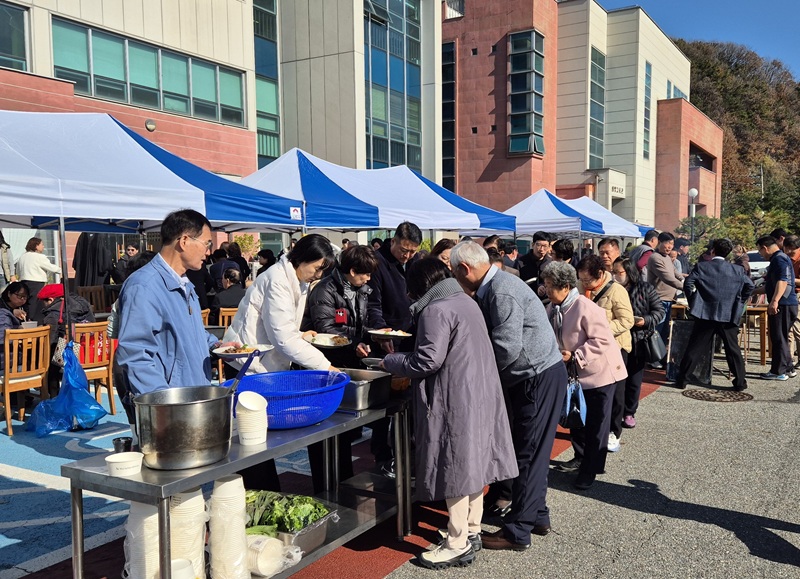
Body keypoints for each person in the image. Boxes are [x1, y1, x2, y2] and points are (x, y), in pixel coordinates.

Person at [382, 259, 518, 568]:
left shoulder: (436, 309)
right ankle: (471, 529)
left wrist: (390, 361)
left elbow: (427, 361)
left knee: (454, 468)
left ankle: (457, 542)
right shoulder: (465, 301)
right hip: (480, 393)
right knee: (474, 465)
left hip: (455, 398)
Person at [450, 241, 565, 551]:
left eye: (454, 274)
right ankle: (537, 516)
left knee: (528, 454)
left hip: (536, 376)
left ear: (464, 269)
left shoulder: (501, 291)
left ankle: (517, 531)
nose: (455, 281)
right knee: (531, 451)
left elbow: (506, 348)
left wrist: (477, 377)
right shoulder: (496, 286)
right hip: (536, 374)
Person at [226, 234, 337, 491]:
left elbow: (282, 327)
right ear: (302, 259)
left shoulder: (295, 278)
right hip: (251, 365)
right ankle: (260, 498)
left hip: (265, 363)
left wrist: (300, 334)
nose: (318, 275)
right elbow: (283, 338)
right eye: (317, 268)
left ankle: (265, 494)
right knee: (253, 442)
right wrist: (324, 365)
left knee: (261, 441)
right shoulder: (277, 279)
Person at [115, 209, 232, 399]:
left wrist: (217, 345)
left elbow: (188, 331)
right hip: (171, 404)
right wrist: (164, 401)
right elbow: (135, 354)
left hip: (193, 396)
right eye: (206, 243)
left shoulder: (184, 283)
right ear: (184, 241)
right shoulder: (144, 286)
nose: (208, 251)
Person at [301, 245, 380, 493]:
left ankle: (343, 482)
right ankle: (325, 487)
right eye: (365, 274)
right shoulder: (324, 290)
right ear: (352, 270)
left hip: (347, 362)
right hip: (323, 365)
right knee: (324, 428)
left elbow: (362, 322)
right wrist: (356, 344)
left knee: (344, 429)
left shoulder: (361, 289)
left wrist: (374, 334)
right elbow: (325, 329)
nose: (368, 279)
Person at [542, 261, 627, 490]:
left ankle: (590, 469)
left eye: (550, 286)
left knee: (596, 424)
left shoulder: (586, 307)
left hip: (599, 373)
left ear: (566, 286)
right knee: (576, 417)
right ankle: (580, 458)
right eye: (546, 285)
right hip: (574, 373)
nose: (546, 290)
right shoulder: (552, 308)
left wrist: (576, 355)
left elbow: (602, 339)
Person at [366, 221, 422, 473]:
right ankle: (381, 455)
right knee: (383, 400)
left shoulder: (414, 262)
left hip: (411, 338)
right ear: (394, 241)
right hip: (386, 338)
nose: (407, 255)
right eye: (404, 250)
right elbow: (373, 305)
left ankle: (407, 451)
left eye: (412, 251)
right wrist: (381, 330)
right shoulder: (378, 263)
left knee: (408, 399)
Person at [674, 239, 754, 391]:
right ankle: (740, 382)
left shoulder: (702, 266)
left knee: (695, 347)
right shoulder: (737, 270)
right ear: (728, 253)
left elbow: (688, 283)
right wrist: (739, 301)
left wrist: (694, 301)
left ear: (712, 250)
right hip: (728, 313)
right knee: (732, 349)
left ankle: (682, 380)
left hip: (705, 312)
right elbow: (750, 285)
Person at [575, 254, 634, 452]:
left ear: (600, 274)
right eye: (581, 279)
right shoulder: (579, 288)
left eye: (588, 280)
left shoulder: (616, 290)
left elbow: (627, 320)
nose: (584, 283)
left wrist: (601, 328)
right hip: (588, 348)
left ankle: (613, 432)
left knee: (615, 394)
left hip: (614, 347)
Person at [612, 257, 665, 428]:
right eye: (613, 272)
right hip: (617, 340)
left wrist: (645, 320)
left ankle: (629, 412)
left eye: (618, 272)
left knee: (634, 379)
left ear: (629, 272)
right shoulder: (611, 289)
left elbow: (659, 311)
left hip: (638, 339)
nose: (615, 275)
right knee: (617, 380)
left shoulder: (645, 288)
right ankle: (615, 413)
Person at [36, 283, 95, 399]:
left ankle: (54, 397)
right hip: (88, 353)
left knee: (49, 362)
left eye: (44, 302)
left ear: (51, 299)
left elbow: (50, 341)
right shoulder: (83, 304)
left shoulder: (53, 314)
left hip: (69, 356)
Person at [754, 235, 798, 380]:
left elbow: (783, 281)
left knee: (778, 337)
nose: (760, 254)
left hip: (783, 304)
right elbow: (771, 285)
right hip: (786, 304)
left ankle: (778, 371)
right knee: (781, 337)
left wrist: (775, 301)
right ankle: (789, 368)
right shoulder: (779, 259)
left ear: (765, 248)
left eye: (760, 251)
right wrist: (753, 291)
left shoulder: (779, 259)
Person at [646, 232, 683, 365]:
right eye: (666, 243)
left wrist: (685, 279)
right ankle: (652, 358)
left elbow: (675, 273)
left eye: (671, 244)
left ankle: (660, 356)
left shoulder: (666, 258)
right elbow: (667, 277)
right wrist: (685, 287)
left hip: (668, 299)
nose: (669, 247)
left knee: (664, 331)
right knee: (657, 330)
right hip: (658, 299)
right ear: (659, 242)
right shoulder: (655, 258)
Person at [16, 236, 61, 322]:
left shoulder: (22, 257)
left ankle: (26, 319)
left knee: (26, 302)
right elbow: (51, 267)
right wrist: (61, 270)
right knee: (36, 304)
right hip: (36, 282)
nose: (43, 246)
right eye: (42, 244)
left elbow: (18, 271)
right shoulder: (39, 257)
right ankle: (34, 321)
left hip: (24, 281)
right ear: (36, 246)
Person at [0, 281, 29, 412]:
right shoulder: (2, 311)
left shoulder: (23, 308)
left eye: (25, 297)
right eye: (19, 296)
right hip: (6, 358)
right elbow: (4, 336)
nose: (22, 299)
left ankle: (20, 396)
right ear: (9, 294)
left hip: (14, 357)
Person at [782, 235, 800, 370]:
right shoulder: (786, 258)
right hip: (787, 294)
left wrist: (788, 279)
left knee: (797, 327)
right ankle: (788, 360)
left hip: (797, 294)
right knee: (788, 330)